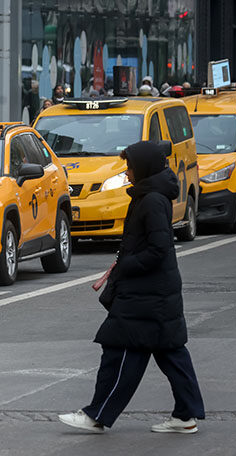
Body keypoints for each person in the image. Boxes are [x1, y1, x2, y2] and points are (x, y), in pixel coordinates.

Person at [58, 141, 205, 434]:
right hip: (155, 293)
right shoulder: (150, 196)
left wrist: (126, 265)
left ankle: (97, 415)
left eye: (130, 167)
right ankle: (186, 414)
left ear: (145, 168)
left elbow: (159, 249)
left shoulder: (150, 200)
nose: (126, 173)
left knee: (119, 351)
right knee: (171, 353)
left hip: (145, 295)